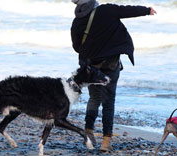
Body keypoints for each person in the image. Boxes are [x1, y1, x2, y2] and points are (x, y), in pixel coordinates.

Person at [70, 0, 156, 152]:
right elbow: (127, 10)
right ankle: (106, 141)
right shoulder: (107, 10)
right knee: (108, 102)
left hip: (90, 68)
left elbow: (77, 47)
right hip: (110, 65)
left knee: (94, 99)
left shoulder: (77, 22)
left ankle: (88, 131)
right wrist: (147, 10)